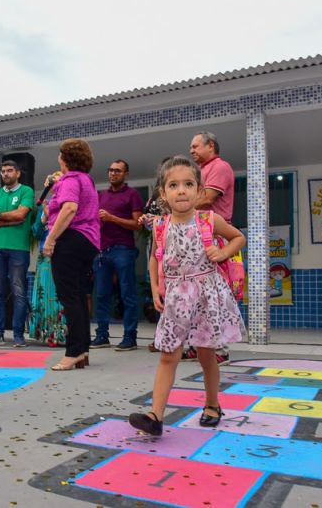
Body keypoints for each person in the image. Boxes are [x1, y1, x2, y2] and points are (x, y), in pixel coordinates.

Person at [128, 156, 246, 436]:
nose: (181, 190)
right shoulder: (160, 226)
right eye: (174, 185)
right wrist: (157, 285)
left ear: (199, 190)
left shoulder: (208, 219)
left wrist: (224, 252)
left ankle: (213, 405)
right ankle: (155, 416)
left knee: (207, 355)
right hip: (177, 296)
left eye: (188, 184)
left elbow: (238, 237)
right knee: (169, 355)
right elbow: (156, 258)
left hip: (206, 293)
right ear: (163, 193)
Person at [44, 139, 101, 370]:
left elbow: (69, 209)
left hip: (71, 239)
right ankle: (83, 350)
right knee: (77, 296)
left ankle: (73, 351)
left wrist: (50, 240)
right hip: (88, 240)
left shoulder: (70, 179)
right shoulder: (86, 179)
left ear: (64, 158)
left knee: (69, 296)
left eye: (60, 155)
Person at [188, 131, 236, 364]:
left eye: (196, 146)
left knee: (213, 294)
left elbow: (206, 199)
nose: (191, 150)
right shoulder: (200, 171)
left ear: (211, 146)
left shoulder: (220, 166)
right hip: (198, 235)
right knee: (195, 294)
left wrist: (177, 207)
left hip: (215, 235)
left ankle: (220, 348)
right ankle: (197, 345)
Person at [91, 159, 144, 351]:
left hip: (123, 249)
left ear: (126, 174)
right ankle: (102, 335)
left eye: (118, 171)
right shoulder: (101, 195)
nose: (113, 174)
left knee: (127, 294)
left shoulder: (132, 194)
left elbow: (137, 224)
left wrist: (111, 218)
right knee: (102, 295)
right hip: (102, 251)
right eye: (111, 170)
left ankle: (130, 337)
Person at [0, 160, 34, 347]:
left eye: (9, 170)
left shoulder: (26, 191)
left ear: (18, 173)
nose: (5, 174)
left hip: (18, 249)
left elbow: (21, 216)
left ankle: (19, 335)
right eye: (3, 171)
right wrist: (8, 219)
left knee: (19, 292)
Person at [29, 171, 67, 346]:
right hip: (45, 257)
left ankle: (62, 334)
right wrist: (44, 217)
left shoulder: (68, 204)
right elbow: (36, 232)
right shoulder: (46, 203)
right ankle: (46, 333)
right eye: (51, 184)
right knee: (44, 293)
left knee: (61, 295)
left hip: (63, 253)